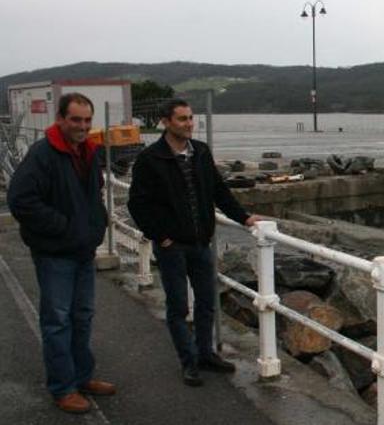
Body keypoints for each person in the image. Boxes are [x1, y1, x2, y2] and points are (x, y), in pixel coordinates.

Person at [127, 99, 258, 387]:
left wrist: (245, 218)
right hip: (172, 246)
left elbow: (219, 192)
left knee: (207, 303)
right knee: (177, 307)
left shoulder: (200, 151)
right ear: (165, 122)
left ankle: (205, 354)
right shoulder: (151, 159)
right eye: (182, 119)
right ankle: (188, 362)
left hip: (201, 242)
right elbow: (137, 204)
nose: (189, 124)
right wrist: (161, 236)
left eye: (191, 118)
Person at [7, 93, 116, 414]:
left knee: (82, 317)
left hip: (83, 250)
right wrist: (64, 227)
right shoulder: (43, 154)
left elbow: (93, 194)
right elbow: (21, 200)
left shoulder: (88, 152)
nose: (82, 126)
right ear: (61, 119)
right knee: (57, 320)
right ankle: (63, 387)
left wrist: (97, 225)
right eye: (76, 120)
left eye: (86, 120)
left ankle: (82, 376)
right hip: (55, 252)